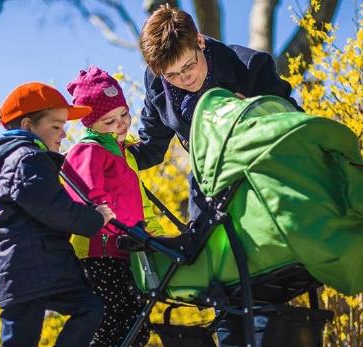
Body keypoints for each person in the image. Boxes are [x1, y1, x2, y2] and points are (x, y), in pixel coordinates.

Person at [0, 82, 116, 347]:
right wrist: (93, 219)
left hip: (40, 265)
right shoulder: (26, 158)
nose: (63, 133)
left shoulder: (29, 158)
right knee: (20, 346)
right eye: (55, 126)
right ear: (28, 126)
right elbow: (52, 209)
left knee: (88, 307)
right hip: (25, 267)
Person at [61, 66, 161, 347]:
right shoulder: (87, 150)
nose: (121, 124)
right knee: (108, 325)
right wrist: (106, 212)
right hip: (99, 251)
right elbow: (87, 191)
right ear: (90, 121)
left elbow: (139, 200)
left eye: (124, 115)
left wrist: (154, 231)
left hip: (128, 251)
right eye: (110, 119)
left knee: (132, 326)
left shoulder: (123, 153)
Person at [130, 4, 303, 219]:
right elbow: (150, 148)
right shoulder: (157, 85)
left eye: (188, 66)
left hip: (264, 171)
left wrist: (255, 113)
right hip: (207, 184)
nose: (184, 79)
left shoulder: (249, 66)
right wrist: (107, 155)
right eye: (172, 75)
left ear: (200, 42)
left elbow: (292, 119)